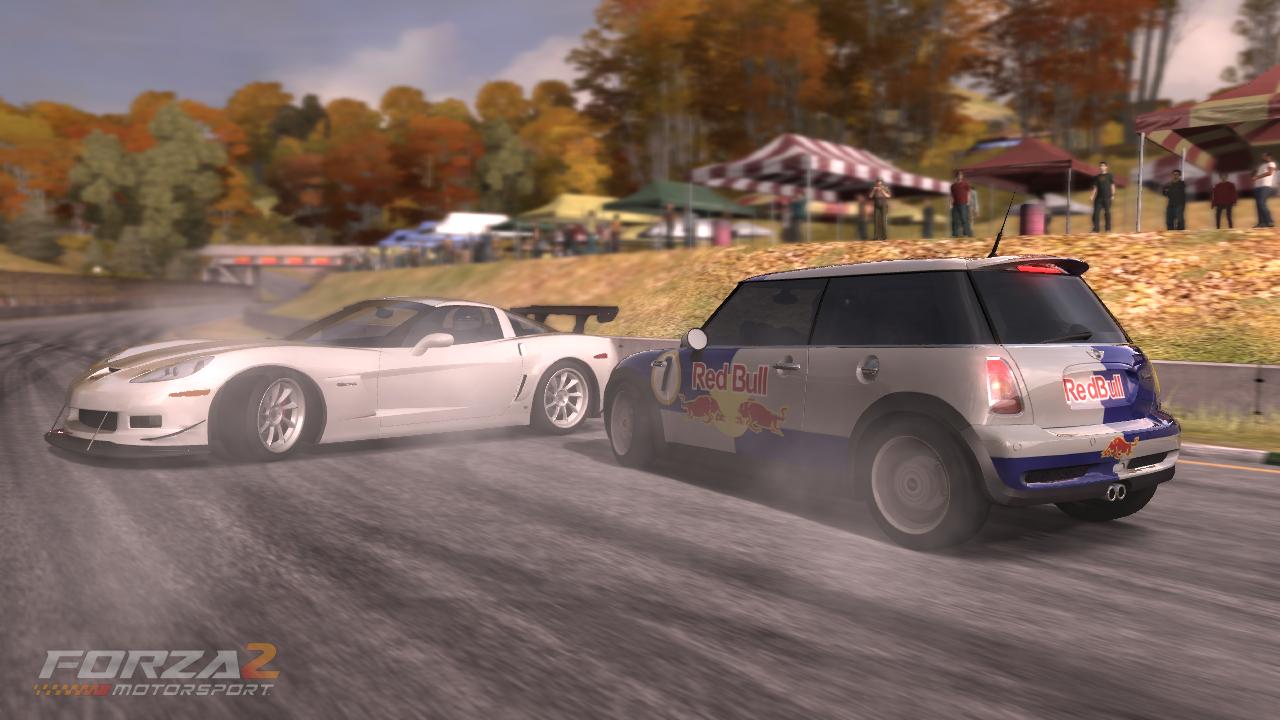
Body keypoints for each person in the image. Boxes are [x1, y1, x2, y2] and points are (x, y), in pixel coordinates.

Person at [1090, 160, 1116, 233]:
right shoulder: (1097, 177)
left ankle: (1108, 229)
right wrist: (1092, 195)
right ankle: (1096, 229)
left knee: (1107, 213)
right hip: (1099, 198)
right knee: (1096, 213)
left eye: (1103, 166)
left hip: (1107, 197)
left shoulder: (1109, 175)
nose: (1102, 167)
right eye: (1101, 166)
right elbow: (1095, 188)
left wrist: (1112, 195)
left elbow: (1112, 186)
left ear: (1106, 167)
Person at [1254, 152, 1276, 227]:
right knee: (1258, 205)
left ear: (1268, 156)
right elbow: (1256, 174)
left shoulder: (1271, 163)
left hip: (1265, 186)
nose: (1262, 157)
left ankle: (1269, 221)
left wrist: (1257, 177)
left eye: (1264, 156)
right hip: (1257, 186)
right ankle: (1261, 223)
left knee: (1261, 203)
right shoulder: (1261, 165)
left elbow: (1269, 173)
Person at [950, 170, 974, 237]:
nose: (959, 176)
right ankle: (955, 234)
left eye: (960, 175)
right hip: (955, 204)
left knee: (964, 219)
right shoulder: (953, 186)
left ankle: (966, 233)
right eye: (958, 175)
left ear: (962, 176)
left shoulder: (965, 184)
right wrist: (950, 204)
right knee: (955, 220)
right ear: (956, 176)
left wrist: (968, 201)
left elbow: (969, 193)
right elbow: (951, 195)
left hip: (963, 204)